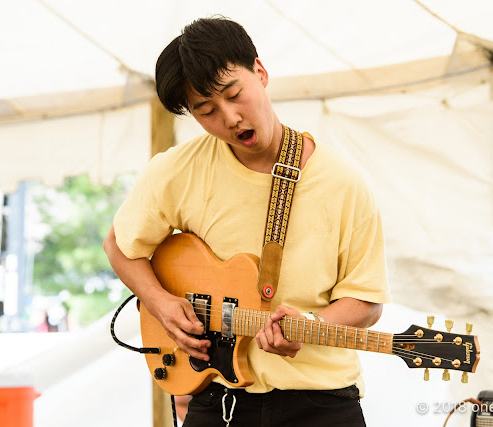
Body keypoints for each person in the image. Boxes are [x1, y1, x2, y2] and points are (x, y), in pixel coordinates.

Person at [103, 16, 390, 427]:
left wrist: (311, 326)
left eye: (234, 94)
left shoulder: (343, 182)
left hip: (322, 404)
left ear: (260, 71)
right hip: (218, 399)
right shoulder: (175, 172)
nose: (231, 117)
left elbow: (366, 300)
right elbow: (119, 245)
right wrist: (161, 303)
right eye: (206, 110)